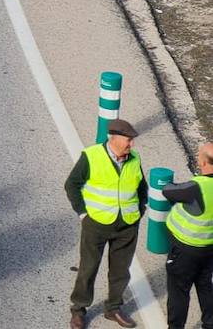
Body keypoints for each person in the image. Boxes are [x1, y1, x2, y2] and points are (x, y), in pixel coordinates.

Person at [65, 119, 146, 329]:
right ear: (114, 138)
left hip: (127, 225)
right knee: (88, 268)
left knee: (121, 270)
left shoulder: (134, 159)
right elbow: (72, 185)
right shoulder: (91, 156)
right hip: (97, 224)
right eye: (128, 140)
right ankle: (78, 310)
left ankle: (113, 308)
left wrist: (139, 212)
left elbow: (142, 188)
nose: (132, 145)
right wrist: (83, 214)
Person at [165, 141, 213, 329]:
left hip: (185, 250)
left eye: (199, 156)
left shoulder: (196, 187)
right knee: (205, 285)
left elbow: (168, 191)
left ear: (203, 163)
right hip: (209, 249)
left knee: (179, 291)